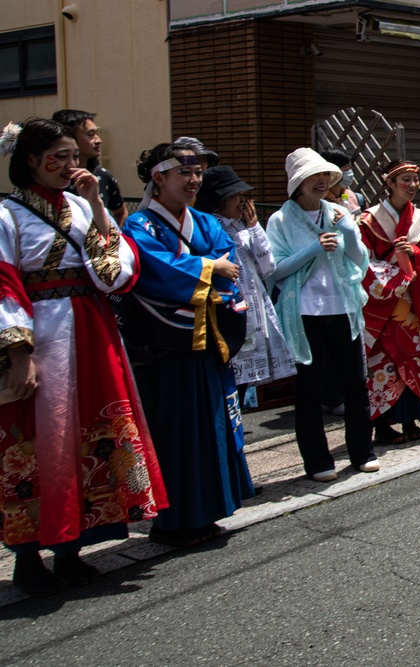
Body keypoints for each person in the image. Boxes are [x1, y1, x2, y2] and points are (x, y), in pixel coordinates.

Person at [0, 119, 167, 596]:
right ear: (30, 160)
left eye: (76, 155)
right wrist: (18, 355)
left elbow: (114, 273)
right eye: (60, 156)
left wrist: (96, 204)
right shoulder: (7, 214)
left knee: (91, 434)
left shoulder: (80, 205)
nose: (73, 165)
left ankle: (72, 549)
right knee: (38, 442)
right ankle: (28, 558)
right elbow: (4, 284)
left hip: (93, 331)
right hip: (41, 334)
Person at [122, 142, 255, 548]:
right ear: (158, 178)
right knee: (175, 433)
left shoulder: (205, 221)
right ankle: (173, 520)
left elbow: (229, 262)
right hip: (169, 348)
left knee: (210, 425)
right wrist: (210, 268)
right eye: (185, 173)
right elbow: (153, 272)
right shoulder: (139, 226)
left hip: (207, 340)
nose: (195, 180)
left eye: (198, 173)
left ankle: (206, 511)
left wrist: (215, 270)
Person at [266, 148, 379, 481]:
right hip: (303, 311)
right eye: (311, 177)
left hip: (342, 306)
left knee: (355, 383)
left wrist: (346, 232)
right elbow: (276, 270)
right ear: (297, 185)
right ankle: (317, 461)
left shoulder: (338, 212)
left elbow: (360, 260)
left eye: (325, 177)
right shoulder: (280, 220)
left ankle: (363, 451)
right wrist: (314, 247)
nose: (321, 182)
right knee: (309, 388)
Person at [357, 160, 420, 444]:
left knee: (415, 359)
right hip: (384, 304)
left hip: (414, 302)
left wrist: (415, 253)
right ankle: (382, 425)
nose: (412, 186)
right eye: (405, 180)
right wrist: (394, 278)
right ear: (389, 183)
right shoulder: (368, 221)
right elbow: (363, 261)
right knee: (385, 363)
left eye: (415, 180)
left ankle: (410, 420)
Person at [194, 166, 296, 394]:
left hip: (252, 307)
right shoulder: (209, 227)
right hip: (228, 309)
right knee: (229, 372)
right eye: (236, 196)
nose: (242, 202)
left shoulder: (242, 228)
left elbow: (268, 265)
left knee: (243, 377)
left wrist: (254, 228)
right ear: (219, 199)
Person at [51, 109, 128, 225]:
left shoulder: (103, 175)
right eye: (91, 134)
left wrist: (113, 239)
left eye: (97, 133)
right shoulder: (53, 178)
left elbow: (120, 212)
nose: (99, 140)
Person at [322, 148, 366, 216]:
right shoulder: (316, 200)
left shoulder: (357, 198)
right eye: (346, 168)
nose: (350, 173)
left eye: (350, 168)